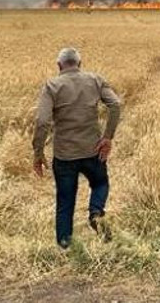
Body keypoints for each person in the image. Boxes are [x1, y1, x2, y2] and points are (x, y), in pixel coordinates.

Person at [32, 47, 122, 249]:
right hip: (93, 150)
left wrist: (38, 152)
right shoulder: (95, 80)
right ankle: (96, 212)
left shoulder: (52, 86)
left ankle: (65, 244)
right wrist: (107, 137)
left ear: (59, 65)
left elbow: (42, 121)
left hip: (64, 155)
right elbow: (115, 105)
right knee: (100, 184)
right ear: (79, 64)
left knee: (65, 200)